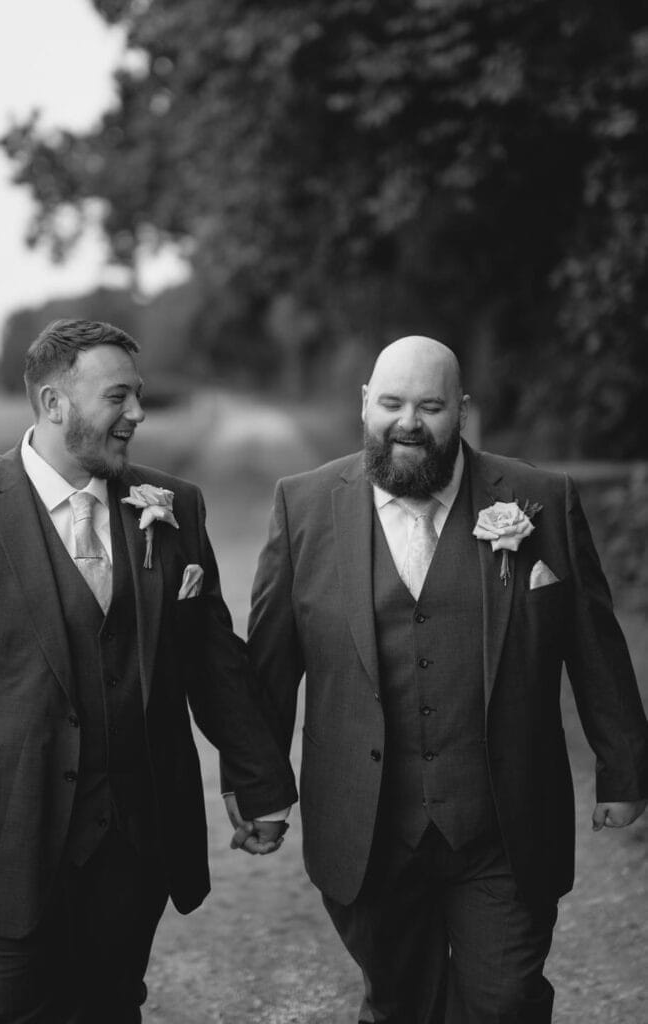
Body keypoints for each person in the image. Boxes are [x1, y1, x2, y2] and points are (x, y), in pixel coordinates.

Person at [0, 318, 297, 1024]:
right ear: (54, 405)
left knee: (108, 1011)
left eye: (137, 396)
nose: (136, 413)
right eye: (118, 398)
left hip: (129, 848)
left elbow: (210, 658)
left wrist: (260, 780)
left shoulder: (173, 507)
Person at [243, 335, 648, 1022]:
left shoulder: (538, 500)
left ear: (459, 410)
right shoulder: (303, 506)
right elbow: (271, 664)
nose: (408, 423)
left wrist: (624, 767)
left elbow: (592, 641)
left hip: (504, 822)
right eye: (392, 403)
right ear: (364, 404)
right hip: (367, 831)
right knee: (402, 1003)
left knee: (506, 1001)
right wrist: (258, 784)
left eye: (429, 406)